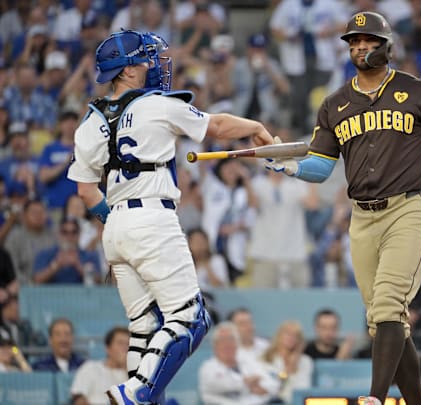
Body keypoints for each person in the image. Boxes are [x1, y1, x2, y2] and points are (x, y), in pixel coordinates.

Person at [264, 11, 421, 405]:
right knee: (384, 322)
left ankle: (375, 398)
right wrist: (292, 168)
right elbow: (321, 167)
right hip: (362, 218)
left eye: (368, 40)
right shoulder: (335, 103)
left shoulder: (419, 91)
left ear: (387, 45)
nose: (359, 47)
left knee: (387, 308)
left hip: (410, 209)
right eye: (353, 42)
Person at [66, 29, 274, 405]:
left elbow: (84, 191)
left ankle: (136, 393)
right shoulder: (157, 104)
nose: (153, 64)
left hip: (115, 229)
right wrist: (257, 128)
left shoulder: (89, 123)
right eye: (145, 59)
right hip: (152, 219)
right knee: (191, 319)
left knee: (144, 329)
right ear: (127, 71)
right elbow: (218, 127)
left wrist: (115, 224)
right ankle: (134, 393)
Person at [198, 321, 279, 405]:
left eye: (231, 339)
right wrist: (246, 383)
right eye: (222, 340)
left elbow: (272, 384)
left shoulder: (247, 361)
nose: (227, 344)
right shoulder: (208, 367)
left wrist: (264, 389)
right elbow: (219, 385)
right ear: (215, 346)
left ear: (237, 343)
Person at [70, 327, 130, 405]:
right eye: (120, 343)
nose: (125, 348)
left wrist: (127, 368)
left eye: (128, 344)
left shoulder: (134, 375)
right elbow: (79, 399)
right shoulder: (90, 368)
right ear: (108, 348)